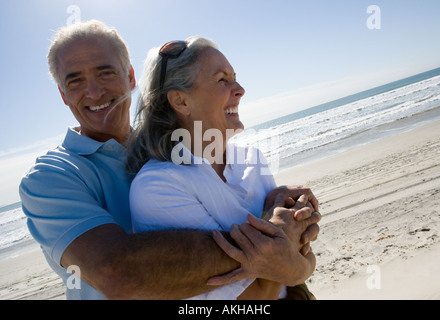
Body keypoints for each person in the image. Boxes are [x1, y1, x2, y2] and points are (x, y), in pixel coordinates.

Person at [19, 20, 320, 300]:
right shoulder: (50, 177)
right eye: (75, 81)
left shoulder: (173, 149)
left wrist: (290, 245)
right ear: (62, 94)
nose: (94, 91)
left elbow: (288, 261)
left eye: (105, 72)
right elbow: (116, 272)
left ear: (130, 77)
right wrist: (276, 238)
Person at [127, 37, 317, 299]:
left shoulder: (253, 158)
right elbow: (255, 297)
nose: (239, 89)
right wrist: (281, 228)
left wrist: (295, 249)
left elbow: (298, 258)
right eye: (222, 80)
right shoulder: (158, 187)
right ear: (181, 101)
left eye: (235, 78)